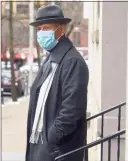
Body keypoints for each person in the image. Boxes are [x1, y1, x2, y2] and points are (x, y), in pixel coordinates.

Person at [25, 5, 89, 161]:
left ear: (61, 30)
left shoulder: (72, 61)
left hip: (56, 151)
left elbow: (71, 110)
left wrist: (50, 139)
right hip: (40, 145)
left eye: (46, 28)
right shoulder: (51, 58)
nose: (41, 33)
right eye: (39, 29)